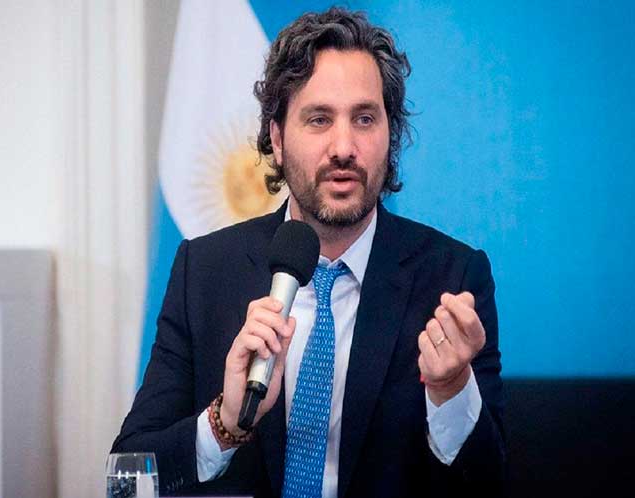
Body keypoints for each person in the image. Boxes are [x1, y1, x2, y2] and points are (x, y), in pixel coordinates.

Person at [112, 7, 505, 498]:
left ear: (391, 135)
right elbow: (126, 478)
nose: (344, 147)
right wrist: (224, 423)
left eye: (365, 118)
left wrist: (451, 392)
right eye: (319, 119)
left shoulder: (451, 279)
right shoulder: (205, 272)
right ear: (277, 139)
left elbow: (492, 484)